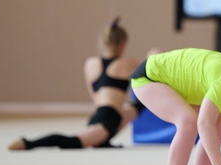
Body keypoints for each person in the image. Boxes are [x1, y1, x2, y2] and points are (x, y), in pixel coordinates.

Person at [8, 18, 141, 151]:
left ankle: (102, 141)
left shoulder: (90, 64)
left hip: (100, 115)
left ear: (102, 42)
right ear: (123, 44)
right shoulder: (130, 63)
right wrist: (151, 56)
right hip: (109, 120)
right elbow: (148, 78)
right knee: (74, 142)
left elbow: (94, 98)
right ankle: (28, 143)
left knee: (139, 106)